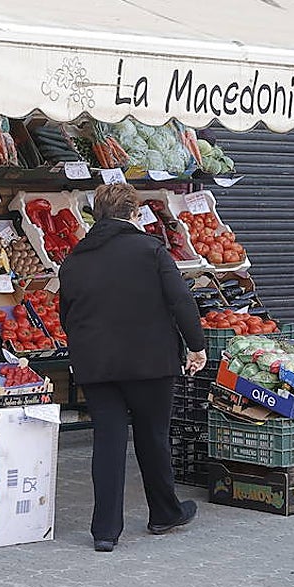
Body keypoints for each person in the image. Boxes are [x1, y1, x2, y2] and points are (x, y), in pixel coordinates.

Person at [58, 182, 207, 553]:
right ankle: (164, 512)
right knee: (152, 437)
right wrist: (197, 346)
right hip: (150, 363)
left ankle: (105, 531)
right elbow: (181, 301)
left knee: (107, 442)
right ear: (133, 213)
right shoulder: (150, 251)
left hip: (97, 365)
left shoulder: (76, 259)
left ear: (97, 214)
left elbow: (66, 314)